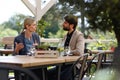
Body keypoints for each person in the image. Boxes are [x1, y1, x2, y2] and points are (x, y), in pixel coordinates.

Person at [47, 14, 85, 80]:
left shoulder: (79, 35)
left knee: (60, 77)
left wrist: (67, 51)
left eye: (65, 23)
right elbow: (60, 49)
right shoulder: (65, 36)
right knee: (45, 74)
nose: (63, 24)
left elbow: (79, 51)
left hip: (75, 65)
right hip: (64, 64)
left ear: (72, 25)